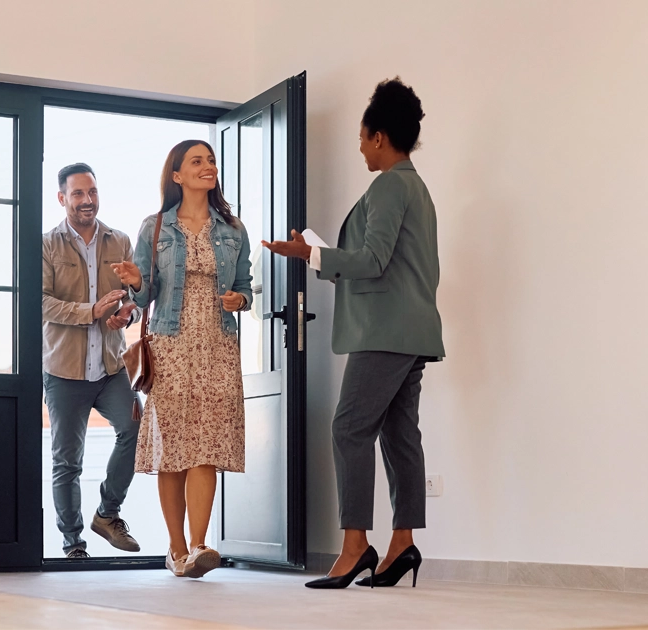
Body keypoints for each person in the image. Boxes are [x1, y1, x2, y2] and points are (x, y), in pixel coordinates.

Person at [263, 78, 443, 589]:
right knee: (400, 435)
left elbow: (372, 260)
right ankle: (402, 543)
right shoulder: (418, 188)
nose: (361, 147)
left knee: (349, 428)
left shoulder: (388, 185)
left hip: (382, 331)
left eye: (362, 138)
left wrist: (310, 254)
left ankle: (354, 545)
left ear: (380, 136)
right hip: (413, 329)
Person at [112, 140, 253, 578]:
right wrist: (137, 282)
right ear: (177, 175)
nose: (207, 167)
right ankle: (175, 550)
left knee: (206, 446)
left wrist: (239, 298)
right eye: (197, 161)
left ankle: (198, 545)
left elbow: (246, 284)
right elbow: (145, 293)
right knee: (172, 450)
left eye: (211, 160)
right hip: (171, 346)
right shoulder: (155, 227)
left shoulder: (232, 229)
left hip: (217, 344)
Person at [42, 162, 143, 559]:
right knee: (68, 461)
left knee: (135, 429)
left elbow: (134, 297)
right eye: (79, 194)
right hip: (64, 370)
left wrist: (125, 314)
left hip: (112, 367)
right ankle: (73, 545)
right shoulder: (47, 244)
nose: (87, 201)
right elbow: (41, 302)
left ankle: (108, 513)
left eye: (93, 192)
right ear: (62, 198)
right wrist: (90, 311)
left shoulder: (119, 241)